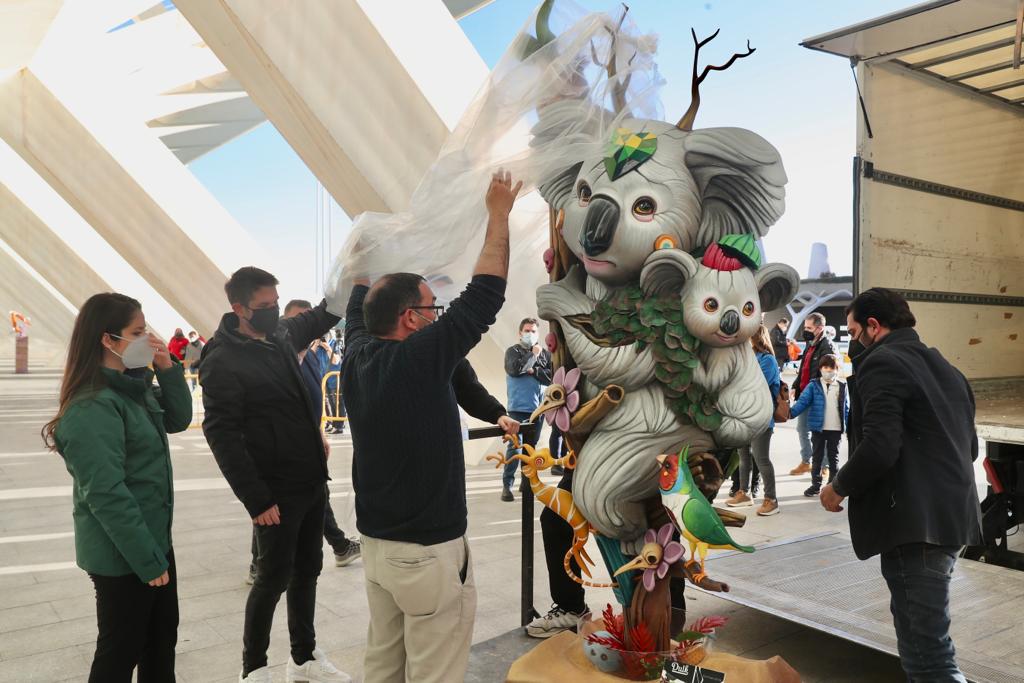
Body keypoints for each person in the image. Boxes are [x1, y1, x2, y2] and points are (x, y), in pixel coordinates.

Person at [342, 170, 522, 683]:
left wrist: (362, 258)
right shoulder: (416, 362)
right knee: (435, 670)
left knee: (384, 662)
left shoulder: (358, 352)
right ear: (410, 320)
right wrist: (498, 214)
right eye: (430, 308)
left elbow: (359, 303)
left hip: (379, 549)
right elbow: (484, 296)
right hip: (427, 555)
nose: (438, 315)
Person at [820, 288, 981, 682]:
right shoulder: (945, 367)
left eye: (855, 332)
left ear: (874, 327)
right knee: (922, 648)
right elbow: (970, 447)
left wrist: (837, 486)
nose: (852, 343)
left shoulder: (883, 364)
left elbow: (879, 445)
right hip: (948, 518)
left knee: (930, 659)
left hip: (915, 527)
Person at [200, 269, 350, 683]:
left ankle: (303, 658)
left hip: (310, 480)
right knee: (271, 580)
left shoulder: (281, 335)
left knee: (308, 570)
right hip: (274, 492)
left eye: (275, 304)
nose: (273, 312)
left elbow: (322, 315)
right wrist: (256, 499)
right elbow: (222, 435)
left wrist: (354, 278)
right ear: (239, 308)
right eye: (264, 307)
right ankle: (255, 669)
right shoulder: (223, 359)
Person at [43, 293, 191, 683]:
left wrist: (167, 368)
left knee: (160, 643)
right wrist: (147, 560)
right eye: (138, 332)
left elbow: (178, 418)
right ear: (108, 340)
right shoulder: (92, 406)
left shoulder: (132, 388)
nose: (149, 339)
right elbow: (107, 494)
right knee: (120, 652)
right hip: (124, 552)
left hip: (153, 540)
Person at [244, 301, 360, 587]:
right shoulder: (274, 356)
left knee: (316, 496)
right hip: (280, 452)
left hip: (308, 442)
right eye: (298, 322)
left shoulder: (314, 356)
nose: (305, 330)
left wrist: (319, 432)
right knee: (273, 508)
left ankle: (339, 545)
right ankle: (259, 563)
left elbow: (312, 398)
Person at [725, 325, 782, 515]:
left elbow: (755, 385)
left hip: (760, 417)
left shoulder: (767, 360)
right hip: (744, 417)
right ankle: (743, 492)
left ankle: (771, 499)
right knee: (743, 456)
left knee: (761, 459)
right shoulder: (748, 358)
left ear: (754, 338)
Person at [501, 317, 553, 501]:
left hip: (538, 409)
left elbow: (551, 378)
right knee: (514, 448)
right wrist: (534, 356)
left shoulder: (546, 354)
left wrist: (535, 371)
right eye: (527, 330)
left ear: (538, 334)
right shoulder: (512, 351)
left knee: (529, 449)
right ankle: (507, 486)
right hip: (517, 408)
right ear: (520, 332)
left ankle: (526, 482)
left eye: (533, 331)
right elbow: (515, 369)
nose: (530, 334)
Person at [788, 354, 847, 497]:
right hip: (818, 428)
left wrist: (849, 426)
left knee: (834, 458)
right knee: (817, 458)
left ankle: (833, 485)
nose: (828, 370)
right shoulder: (813, 385)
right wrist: (790, 413)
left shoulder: (842, 386)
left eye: (832, 368)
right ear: (820, 369)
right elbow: (803, 402)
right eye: (825, 367)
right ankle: (816, 485)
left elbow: (847, 408)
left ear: (837, 370)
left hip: (836, 429)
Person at [789, 312, 837, 476]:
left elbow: (827, 373)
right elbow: (804, 368)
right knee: (802, 429)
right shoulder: (811, 343)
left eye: (809, 328)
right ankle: (806, 461)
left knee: (818, 432)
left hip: (817, 396)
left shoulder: (827, 346)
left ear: (820, 328)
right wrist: (796, 386)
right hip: (804, 394)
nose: (806, 330)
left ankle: (824, 465)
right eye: (805, 327)